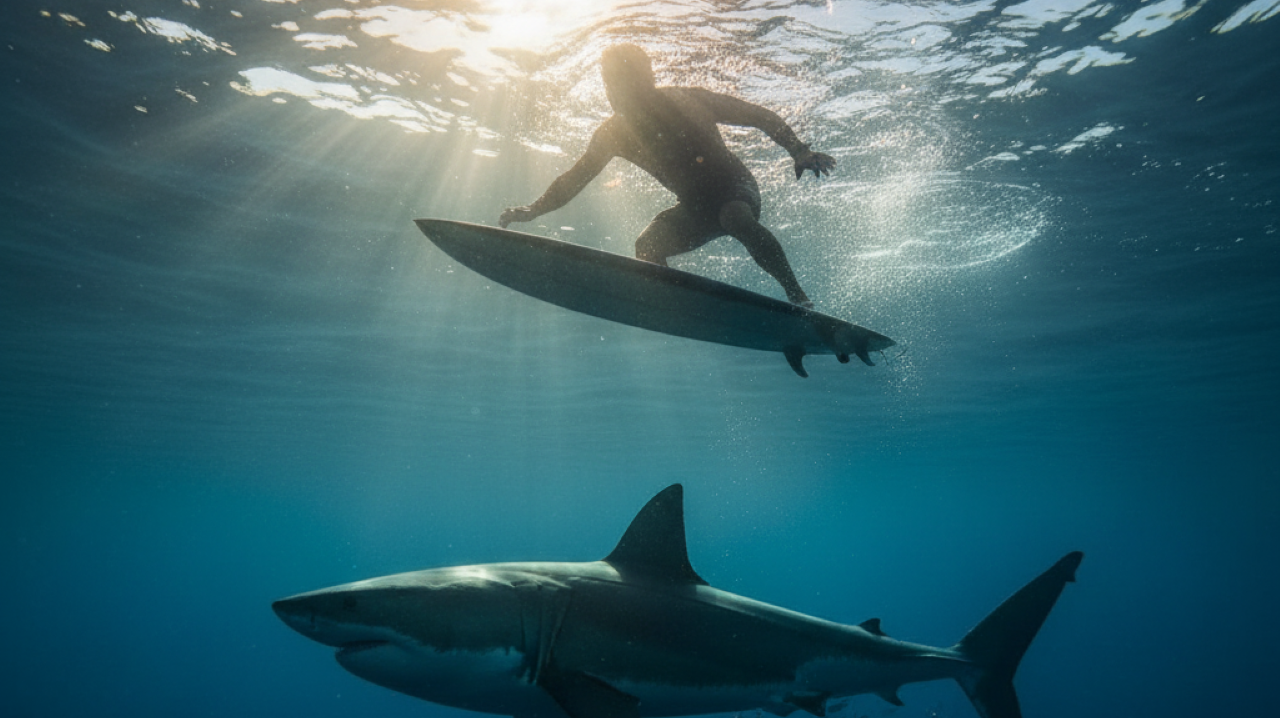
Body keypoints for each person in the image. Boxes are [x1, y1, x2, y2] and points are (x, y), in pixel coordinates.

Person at [499, 44, 835, 307]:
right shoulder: (613, 133)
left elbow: (757, 115)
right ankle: (677, 301)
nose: (614, 93)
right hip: (694, 207)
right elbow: (575, 178)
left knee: (732, 216)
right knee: (646, 246)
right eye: (609, 83)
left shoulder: (688, 101)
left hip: (737, 189)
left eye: (623, 82)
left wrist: (799, 152)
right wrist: (534, 210)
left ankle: (796, 295)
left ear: (647, 79)